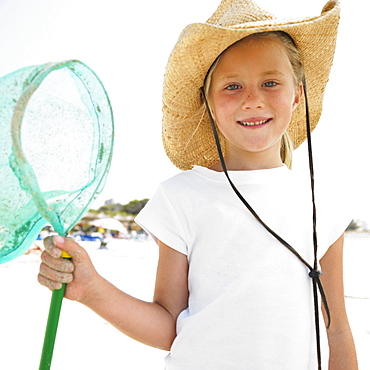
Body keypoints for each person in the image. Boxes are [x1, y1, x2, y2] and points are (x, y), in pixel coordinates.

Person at [38, 0, 358, 368]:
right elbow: (168, 326)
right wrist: (91, 289)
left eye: (270, 82)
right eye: (232, 86)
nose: (252, 99)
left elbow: (336, 331)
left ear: (298, 93)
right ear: (207, 102)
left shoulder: (323, 205)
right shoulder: (180, 198)